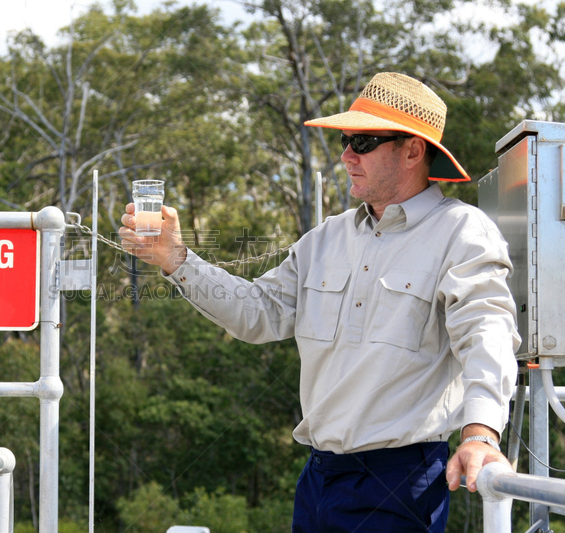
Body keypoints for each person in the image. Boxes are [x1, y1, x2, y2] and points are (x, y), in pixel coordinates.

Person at [119, 72, 520, 532]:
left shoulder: (462, 231)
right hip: (317, 478)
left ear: (413, 150)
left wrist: (480, 434)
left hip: (399, 481)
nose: (347, 155)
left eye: (364, 141)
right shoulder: (325, 238)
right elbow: (257, 313)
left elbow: (486, 332)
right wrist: (176, 259)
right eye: (345, 140)